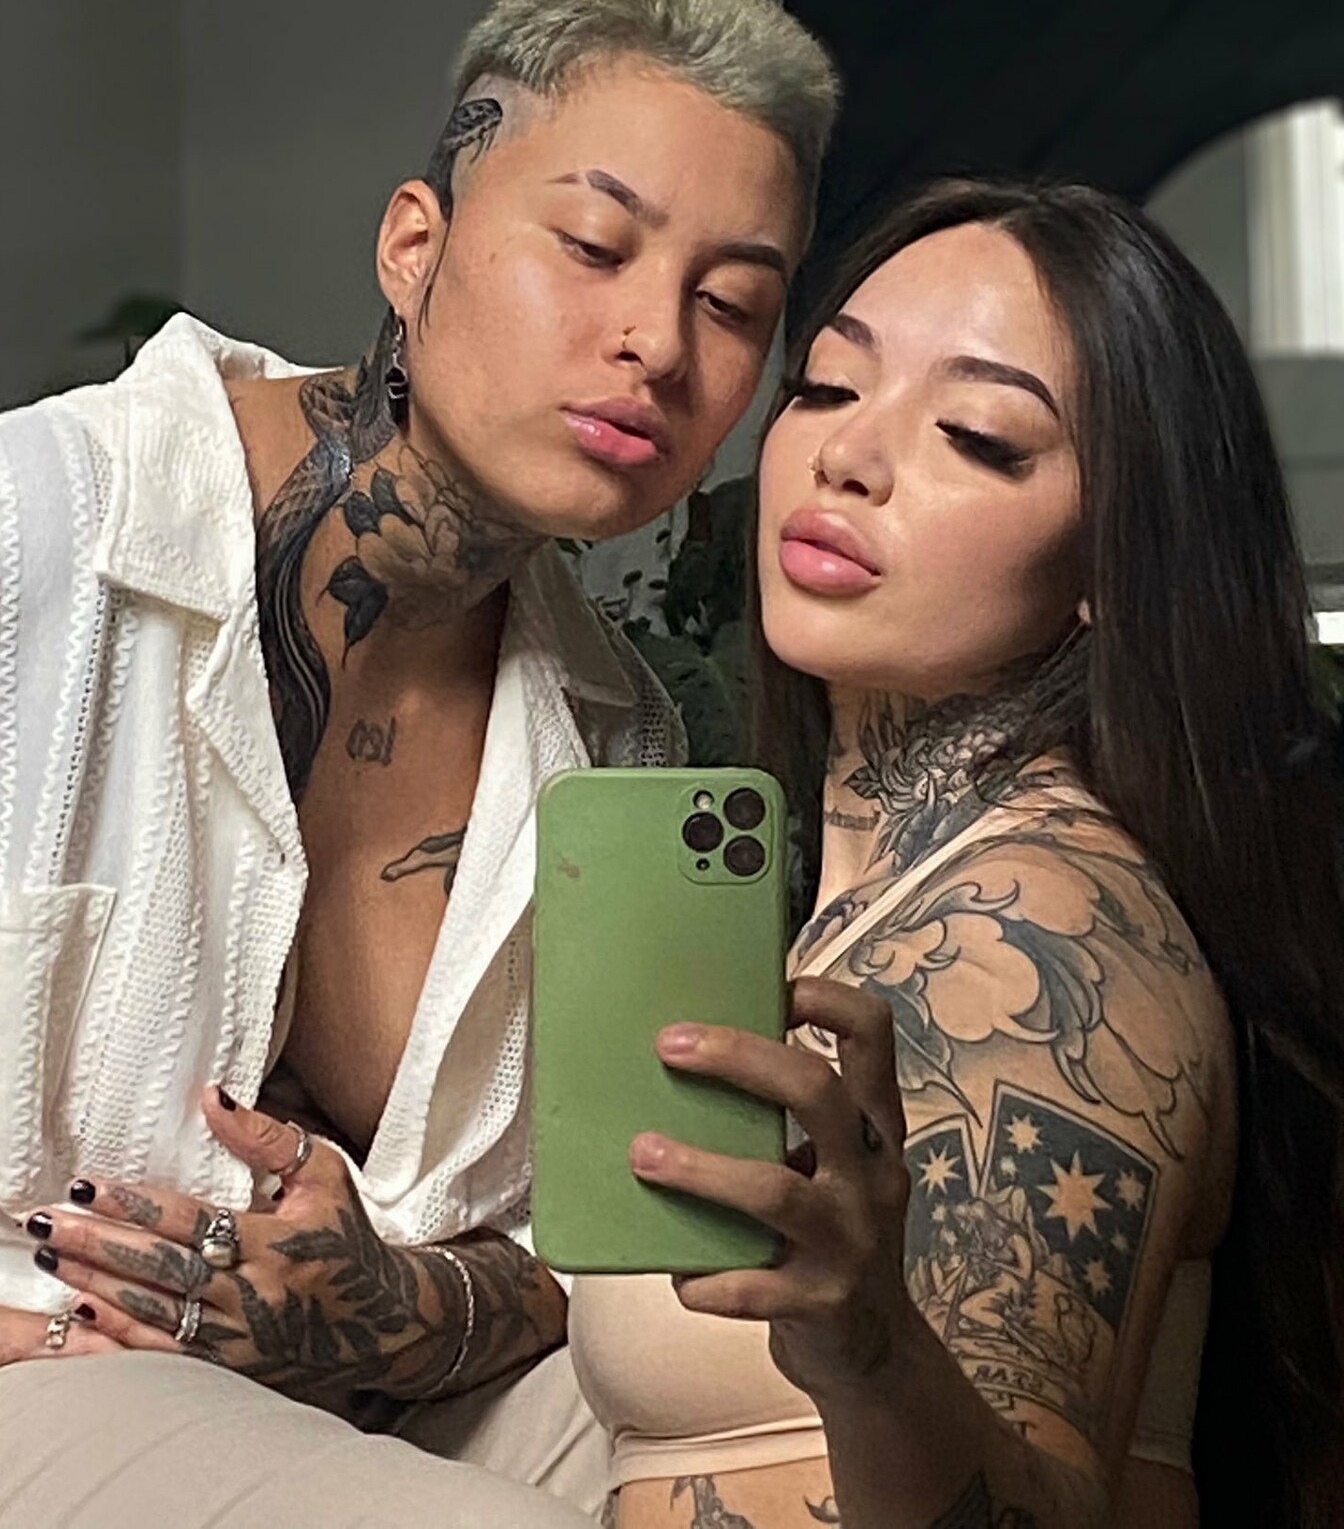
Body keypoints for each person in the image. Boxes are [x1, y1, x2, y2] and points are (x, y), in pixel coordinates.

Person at [0, 0, 839, 1529]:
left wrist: (400, 1301)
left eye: (733, 304)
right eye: (594, 246)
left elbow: (579, 1252)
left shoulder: (620, 740)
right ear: (418, 245)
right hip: (7, 1366)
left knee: (833, 1432)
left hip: (372, 1403)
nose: (656, 342)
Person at [569, 176, 1344, 1527]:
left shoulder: (1042, 930)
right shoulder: (890, 895)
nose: (849, 455)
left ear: (1113, 554)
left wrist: (874, 1359)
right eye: (827, 387)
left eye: (979, 437)